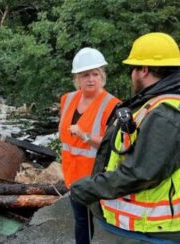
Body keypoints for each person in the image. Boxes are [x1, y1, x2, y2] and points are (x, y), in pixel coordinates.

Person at [71, 33, 180, 243]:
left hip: (159, 228)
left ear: (144, 70)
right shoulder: (156, 103)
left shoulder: (165, 112)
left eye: (133, 69)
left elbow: (142, 172)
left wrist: (88, 188)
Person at [60, 48, 120, 244]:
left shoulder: (112, 105)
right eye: (86, 75)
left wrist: (85, 136)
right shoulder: (68, 99)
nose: (91, 79)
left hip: (96, 176)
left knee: (107, 221)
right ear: (77, 77)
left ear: (102, 76)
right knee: (81, 221)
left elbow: (115, 142)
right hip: (72, 174)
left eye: (96, 74)